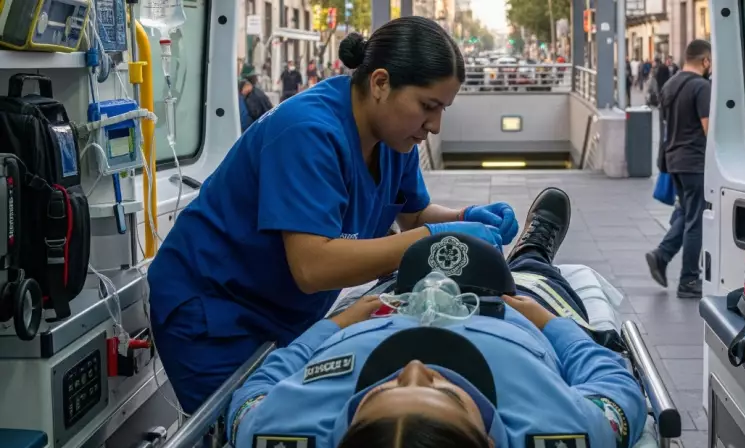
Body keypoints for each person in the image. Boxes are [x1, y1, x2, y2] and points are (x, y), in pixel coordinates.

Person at [147, 17, 520, 413]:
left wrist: (465, 216)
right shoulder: (307, 132)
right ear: (380, 83)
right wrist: (435, 238)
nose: (435, 125)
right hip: (214, 312)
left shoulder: (395, 139)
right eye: (428, 106)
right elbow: (313, 267)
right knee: (251, 427)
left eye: (443, 109)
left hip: (284, 312)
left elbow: (414, 216)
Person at [229, 188, 647, 448]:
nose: (414, 367)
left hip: (389, 304)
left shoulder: (278, 442)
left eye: (377, 393)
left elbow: (257, 386)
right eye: (445, 393)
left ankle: (394, 255)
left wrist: (334, 326)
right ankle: (533, 251)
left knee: (391, 271)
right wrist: (550, 325)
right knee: (536, 278)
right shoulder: (566, 441)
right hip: (507, 310)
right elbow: (615, 383)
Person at [646, 39, 712, 298]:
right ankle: (688, 279)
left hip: (673, 160)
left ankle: (661, 256)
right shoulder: (701, 87)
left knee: (685, 212)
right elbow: (708, 129)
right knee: (696, 219)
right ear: (705, 61)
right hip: (694, 161)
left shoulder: (670, 85)